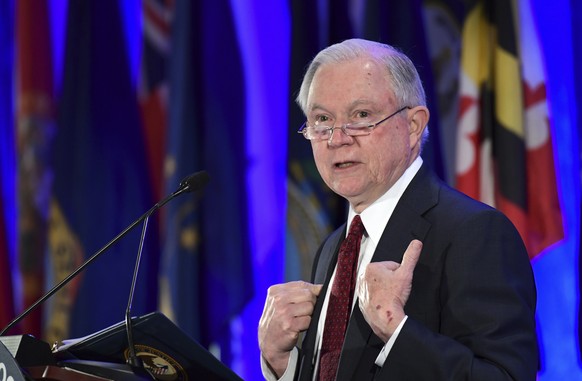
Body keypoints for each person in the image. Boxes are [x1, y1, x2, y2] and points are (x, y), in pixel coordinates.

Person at [258, 38, 538, 380]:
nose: (337, 138)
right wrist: (280, 363)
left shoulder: (474, 233)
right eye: (322, 119)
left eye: (361, 116)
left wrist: (397, 331)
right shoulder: (334, 247)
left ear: (413, 126)